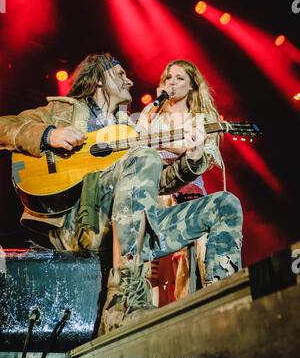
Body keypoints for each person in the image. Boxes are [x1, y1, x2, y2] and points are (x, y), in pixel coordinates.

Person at [0, 53, 243, 335]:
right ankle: (124, 301)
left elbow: (157, 182)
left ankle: (224, 300)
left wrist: (192, 159)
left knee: (225, 204)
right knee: (145, 157)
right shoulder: (62, 112)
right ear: (99, 79)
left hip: (133, 227)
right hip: (85, 224)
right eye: (120, 74)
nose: (129, 80)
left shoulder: (129, 129)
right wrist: (47, 135)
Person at [138, 59, 234, 301]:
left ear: (192, 85)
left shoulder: (200, 117)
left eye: (180, 78)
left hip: (186, 194)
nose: (172, 82)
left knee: (184, 264)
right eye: (169, 77)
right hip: (153, 192)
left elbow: (202, 152)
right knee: (153, 268)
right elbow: (137, 141)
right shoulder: (152, 112)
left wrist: (158, 141)